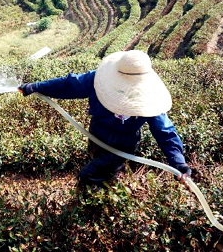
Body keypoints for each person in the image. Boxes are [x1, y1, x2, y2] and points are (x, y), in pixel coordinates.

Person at [18, 50, 192, 192]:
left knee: (88, 176)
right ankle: (107, 189)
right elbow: (69, 85)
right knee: (98, 164)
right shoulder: (99, 79)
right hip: (97, 133)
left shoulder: (149, 98)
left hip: (122, 144)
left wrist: (178, 162)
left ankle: (90, 205)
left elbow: (165, 132)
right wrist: (36, 87)